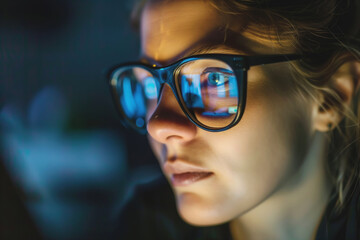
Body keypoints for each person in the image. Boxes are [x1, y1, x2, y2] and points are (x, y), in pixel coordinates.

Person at [109, 0, 360, 239]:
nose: (158, 126)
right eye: (150, 85)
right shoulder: (145, 228)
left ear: (332, 98)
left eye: (214, 80)